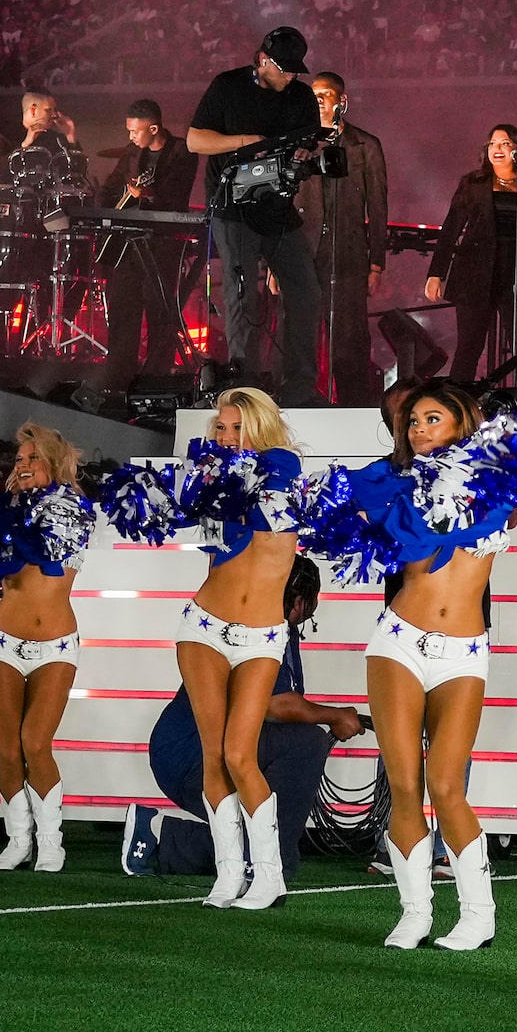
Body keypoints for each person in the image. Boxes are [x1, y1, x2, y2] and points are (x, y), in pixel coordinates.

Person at [308, 377, 517, 949]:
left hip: (463, 649)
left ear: (462, 423)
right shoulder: (397, 483)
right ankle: (415, 913)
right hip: (398, 640)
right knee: (404, 782)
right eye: (412, 422)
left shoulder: (497, 478)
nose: (418, 430)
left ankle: (478, 916)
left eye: (432, 419)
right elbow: (332, 506)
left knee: (447, 782)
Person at [100, 386, 314, 910]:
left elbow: (273, 475)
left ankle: (268, 877)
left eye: (236, 427)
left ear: (259, 428)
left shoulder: (281, 468)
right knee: (216, 754)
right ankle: (226, 874)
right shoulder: (210, 481)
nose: (225, 436)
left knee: (242, 754)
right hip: (204, 627)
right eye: (219, 427)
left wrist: (217, 476)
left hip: (261, 635)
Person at [142, 556, 366, 877]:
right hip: (191, 756)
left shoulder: (278, 629)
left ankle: (157, 835)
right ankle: (267, 857)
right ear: (300, 601)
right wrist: (335, 716)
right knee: (308, 742)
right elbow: (276, 706)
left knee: (297, 751)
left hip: (190, 753)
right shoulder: (260, 627)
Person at [0, 423, 98, 874]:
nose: (23, 465)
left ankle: (51, 843)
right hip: (2, 642)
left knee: (35, 742)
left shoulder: (73, 509)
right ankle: (17, 840)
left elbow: (43, 546)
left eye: (33, 458)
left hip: (55, 645)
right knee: (8, 748)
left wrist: (5, 512)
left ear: (52, 462)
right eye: (19, 459)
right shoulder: (7, 509)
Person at [187, 27, 329, 404]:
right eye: (284, 69)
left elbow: (309, 143)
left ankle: (299, 386)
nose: (290, 77)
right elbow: (194, 140)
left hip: (277, 205)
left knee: (306, 291)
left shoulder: (300, 96)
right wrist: (245, 142)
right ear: (263, 59)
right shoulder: (227, 86)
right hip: (233, 206)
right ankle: (243, 387)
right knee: (244, 294)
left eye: (295, 71)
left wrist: (303, 156)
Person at [425, 125, 517, 402]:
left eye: (505, 143)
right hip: (476, 272)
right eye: (492, 143)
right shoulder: (473, 183)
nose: (497, 148)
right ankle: (457, 408)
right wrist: (436, 273)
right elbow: (450, 229)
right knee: (469, 345)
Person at [86, 97, 196, 395]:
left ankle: (155, 378)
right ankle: (118, 375)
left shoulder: (182, 152)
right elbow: (110, 188)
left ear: (154, 128)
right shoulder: (133, 153)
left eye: (135, 131)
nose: (131, 137)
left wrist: (147, 194)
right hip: (126, 244)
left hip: (162, 244)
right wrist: (103, 209)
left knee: (159, 309)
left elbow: (176, 198)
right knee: (122, 306)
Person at [300, 71, 392, 406]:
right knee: (301, 332)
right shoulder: (300, 144)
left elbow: (378, 207)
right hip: (304, 252)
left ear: (342, 101)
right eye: (314, 94)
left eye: (325, 94)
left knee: (349, 337)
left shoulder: (365, 145)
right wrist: (273, 263)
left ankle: (354, 405)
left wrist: (376, 263)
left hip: (349, 253)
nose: (319, 100)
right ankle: (301, 401)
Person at [0, 87, 82, 185]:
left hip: (48, 199)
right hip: (13, 198)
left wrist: (71, 137)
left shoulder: (55, 139)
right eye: (48, 110)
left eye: (54, 110)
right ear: (33, 110)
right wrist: (24, 145)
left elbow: (77, 174)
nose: (54, 115)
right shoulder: (5, 136)